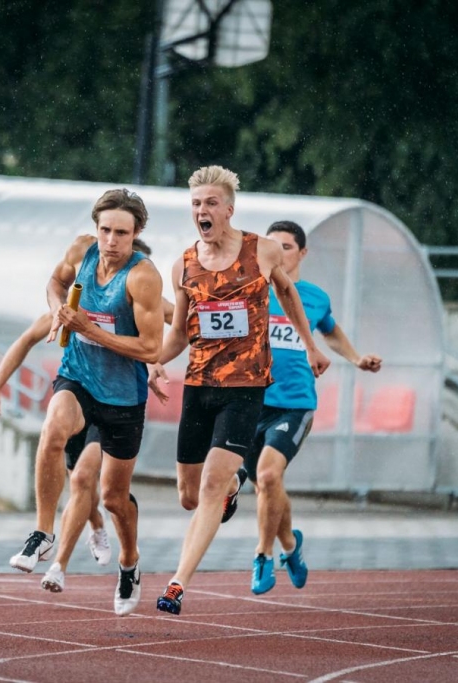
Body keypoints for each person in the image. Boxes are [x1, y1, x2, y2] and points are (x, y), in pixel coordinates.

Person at [151, 165, 331, 616]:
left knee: (210, 487)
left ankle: (177, 584)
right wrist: (153, 362)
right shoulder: (184, 265)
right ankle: (234, 487)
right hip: (199, 386)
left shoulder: (262, 251)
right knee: (189, 495)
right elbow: (178, 335)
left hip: (246, 388)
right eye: (196, 204)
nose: (202, 211)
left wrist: (310, 345)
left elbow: (288, 295)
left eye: (211, 203)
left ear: (229, 209)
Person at [8, 188, 164, 617]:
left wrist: (89, 328)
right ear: (95, 228)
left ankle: (129, 561)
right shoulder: (81, 250)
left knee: (114, 499)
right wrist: (60, 309)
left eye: (121, 233)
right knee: (53, 430)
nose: (111, 241)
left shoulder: (143, 277)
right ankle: (42, 532)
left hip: (123, 398)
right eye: (105, 230)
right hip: (77, 375)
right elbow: (56, 281)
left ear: (136, 234)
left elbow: (151, 348)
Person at [0, 238, 171, 569]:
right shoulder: (83, 300)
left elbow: (180, 327)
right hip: (79, 393)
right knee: (68, 461)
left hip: (118, 402)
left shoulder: (148, 296)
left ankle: (67, 561)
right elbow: (27, 338)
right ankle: (84, 526)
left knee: (83, 480)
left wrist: (159, 361)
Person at [243, 221, 382, 594]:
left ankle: (263, 555)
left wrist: (355, 359)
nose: (278, 252)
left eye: (286, 247)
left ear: (302, 253)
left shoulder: (314, 297)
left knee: (269, 477)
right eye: (271, 246)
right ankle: (291, 545)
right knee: (266, 488)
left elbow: (330, 331)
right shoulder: (250, 290)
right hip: (251, 402)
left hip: (294, 404)